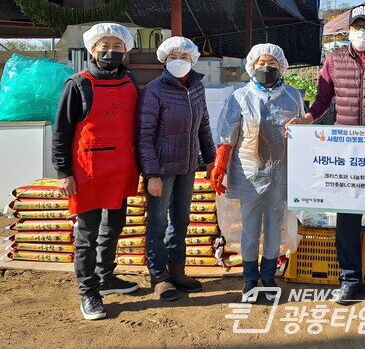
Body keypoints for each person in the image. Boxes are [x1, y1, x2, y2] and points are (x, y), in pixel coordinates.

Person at [286, 4, 365, 307]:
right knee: (347, 220)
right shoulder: (334, 60)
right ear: (348, 30)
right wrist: (306, 120)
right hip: (346, 153)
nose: (362, 32)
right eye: (357, 26)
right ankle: (350, 278)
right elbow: (323, 100)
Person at [53, 22, 140, 321]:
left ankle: (106, 277)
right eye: (105, 45)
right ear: (92, 49)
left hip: (121, 168)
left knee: (114, 225)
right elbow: (61, 132)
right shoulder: (78, 84)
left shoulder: (129, 81)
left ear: (126, 50)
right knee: (87, 235)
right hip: (88, 170)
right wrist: (63, 172)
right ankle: (88, 291)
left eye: (117, 46)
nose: (110, 51)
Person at [210, 44, 304, 303]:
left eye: (272, 63)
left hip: (281, 173)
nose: (267, 68)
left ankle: (268, 276)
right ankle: (250, 278)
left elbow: (303, 133)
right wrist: (219, 165)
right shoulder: (240, 96)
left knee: (275, 227)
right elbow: (226, 135)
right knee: (250, 228)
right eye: (261, 63)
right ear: (252, 65)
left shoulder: (293, 96)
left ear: (281, 66)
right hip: (248, 172)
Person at [137, 36, 215, 301]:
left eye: (183, 57)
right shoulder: (154, 90)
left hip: (188, 165)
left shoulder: (197, 88)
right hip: (162, 168)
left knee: (181, 221)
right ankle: (158, 277)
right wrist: (152, 174)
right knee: (158, 223)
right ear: (164, 60)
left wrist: (211, 159)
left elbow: (203, 125)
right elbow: (145, 135)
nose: (178, 62)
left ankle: (178, 271)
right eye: (173, 57)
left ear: (192, 60)